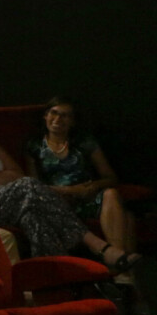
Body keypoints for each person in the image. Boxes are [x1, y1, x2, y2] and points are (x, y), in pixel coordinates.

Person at [0, 85, 113, 265]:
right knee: (28, 185)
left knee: (33, 217)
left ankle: (56, 277)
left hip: (11, 200)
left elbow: (16, 173)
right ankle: (95, 243)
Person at [29, 95, 138, 263]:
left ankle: (116, 259)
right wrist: (69, 191)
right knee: (128, 218)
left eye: (65, 115)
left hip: (87, 196)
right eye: (54, 113)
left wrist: (92, 187)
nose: (58, 119)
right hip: (55, 201)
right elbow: (32, 185)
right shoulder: (34, 146)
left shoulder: (84, 142)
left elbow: (110, 177)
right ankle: (121, 268)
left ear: (73, 121)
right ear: (45, 116)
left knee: (111, 194)